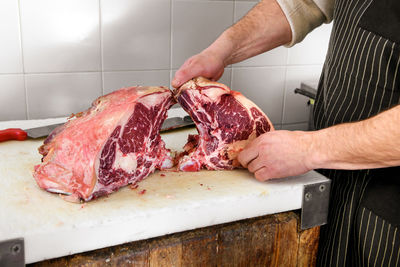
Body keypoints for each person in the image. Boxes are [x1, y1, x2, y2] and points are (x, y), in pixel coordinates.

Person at [171, 0, 400, 266]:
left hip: (388, 214)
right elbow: (304, 4)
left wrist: (309, 149)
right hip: (333, 178)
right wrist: (222, 50)